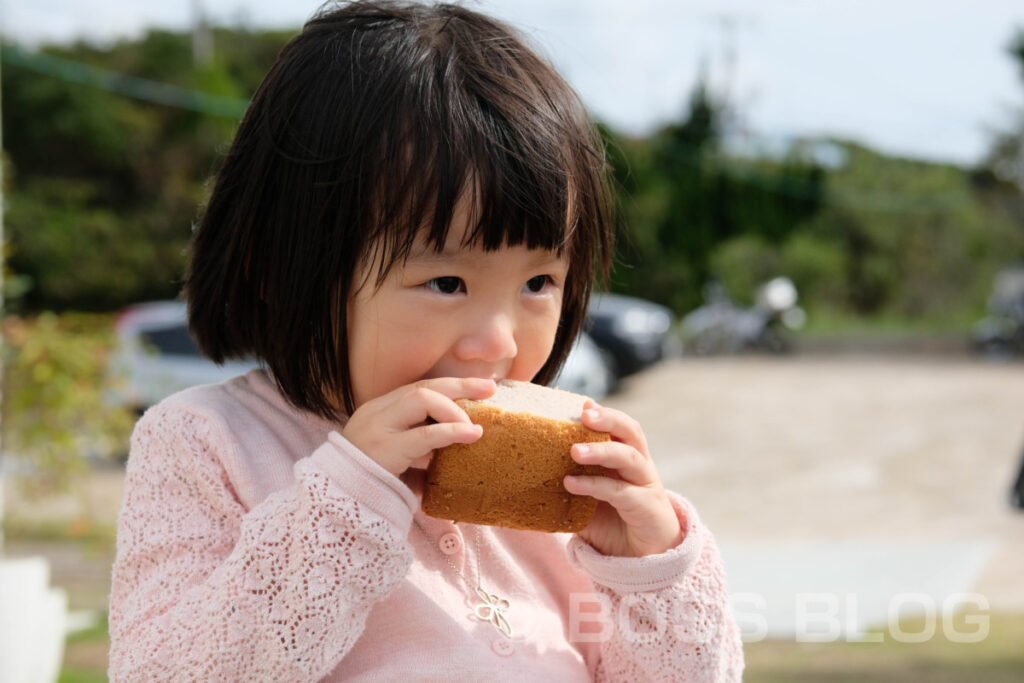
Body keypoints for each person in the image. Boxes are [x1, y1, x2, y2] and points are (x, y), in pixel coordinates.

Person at [108, 1, 745, 680]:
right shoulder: (203, 444)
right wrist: (350, 501)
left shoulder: (562, 506)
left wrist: (648, 563)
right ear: (278, 269)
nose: (496, 344)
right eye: (446, 282)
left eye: (538, 282)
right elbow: (160, 669)